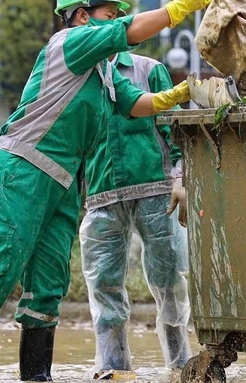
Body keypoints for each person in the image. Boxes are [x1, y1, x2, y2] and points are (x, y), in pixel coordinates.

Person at [0, 0, 212, 383]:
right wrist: (178, 9)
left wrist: (170, 97)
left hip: (64, 181)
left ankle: (36, 375)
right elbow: (128, 30)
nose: (115, 19)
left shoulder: (103, 72)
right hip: (22, 168)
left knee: (50, 281)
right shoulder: (66, 44)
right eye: (108, 13)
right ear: (83, 17)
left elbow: (133, 103)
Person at [80, 51, 192, 377]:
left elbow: (176, 130)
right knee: (104, 285)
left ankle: (181, 364)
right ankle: (114, 369)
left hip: (155, 190)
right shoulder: (80, 74)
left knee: (169, 279)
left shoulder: (148, 70)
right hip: (102, 194)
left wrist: (181, 177)